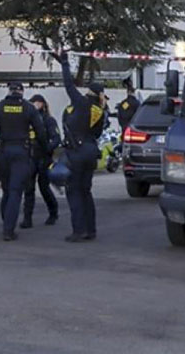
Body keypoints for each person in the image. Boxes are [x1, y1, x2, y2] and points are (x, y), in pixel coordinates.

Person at [0, 81, 48, 241]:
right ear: (22, 92)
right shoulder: (28, 108)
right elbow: (40, 132)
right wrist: (44, 150)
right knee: (15, 191)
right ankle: (8, 230)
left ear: (9, 91)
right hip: (21, 152)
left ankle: (6, 221)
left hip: (4, 152)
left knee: (6, 190)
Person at [54, 51, 106, 242]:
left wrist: (65, 63)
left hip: (77, 152)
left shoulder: (82, 103)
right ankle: (91, 229)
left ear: (88, 92)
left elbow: (68, 85)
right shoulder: (100, 109)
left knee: (73, 191)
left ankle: (79, 230)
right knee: (86, 191)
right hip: (91, 151)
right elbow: (98, 133)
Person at [21, 95, 61, 228]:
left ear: (43, 104)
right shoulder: (28, 120)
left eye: (37, 102)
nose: (34, 105)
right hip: (30, 157)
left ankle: (53, 212)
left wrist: (48, 148)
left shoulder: (48, 120)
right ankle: (27, 218)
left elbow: (56, 138)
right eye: (32, 103)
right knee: (29, 188)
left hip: (44, 158)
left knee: (44, 187)